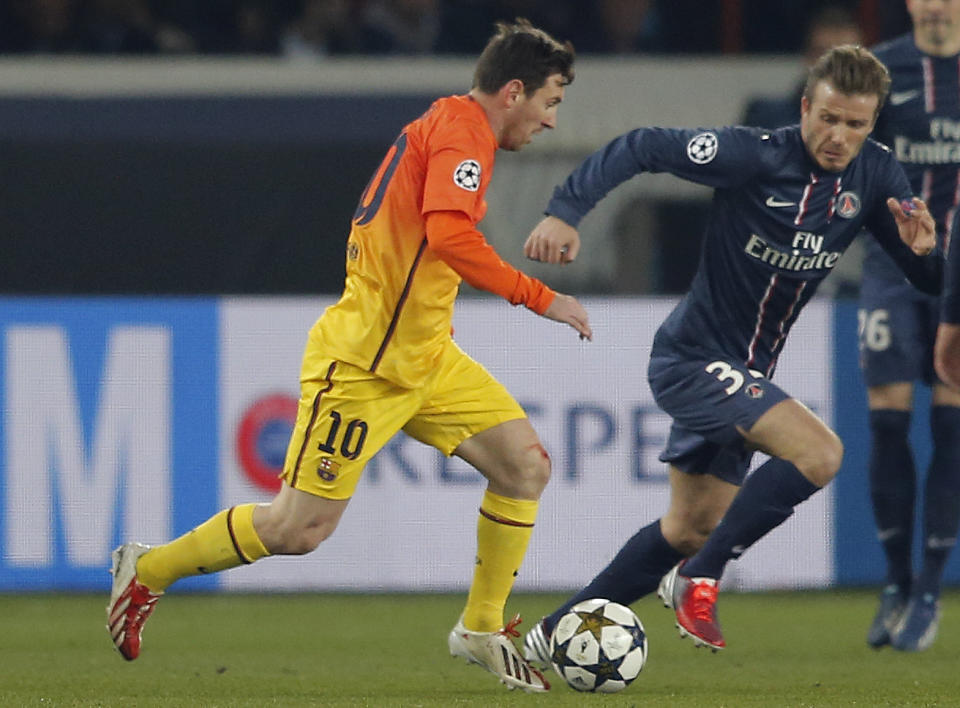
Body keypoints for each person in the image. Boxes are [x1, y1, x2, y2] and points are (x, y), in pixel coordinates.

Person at [106, 19, 589, 694]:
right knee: (295, 529)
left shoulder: (451, 128)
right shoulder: (462, 133)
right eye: (551, 102)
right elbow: (450, 234)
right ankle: (148, 568)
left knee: (524, 467)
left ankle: (481, 628)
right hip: (365, 365)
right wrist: (542, 298)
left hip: (426, 356)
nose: (550, 121)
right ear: (514, 91)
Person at [518, 44, 939, 660]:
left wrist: (925, 256)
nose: (837, 135)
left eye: (854, 124)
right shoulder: (755, 154)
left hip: (744, 372)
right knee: (821, 454)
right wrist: (564, 213)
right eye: (827, 118)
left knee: (689, 528)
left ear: (873, 125)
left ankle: (550, 634)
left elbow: (924, 280)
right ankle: (700, 579)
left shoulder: (876, 175)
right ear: (805, 107)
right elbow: (640, 145)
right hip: (691, 358)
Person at [859, 0, 960, 653]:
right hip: (892, 269)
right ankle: (896, 582)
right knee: (888, 419)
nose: (934, 5)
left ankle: (929, 589)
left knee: (950, 422)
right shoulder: (883, 71)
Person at [741, 6, 863, 130]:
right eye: (823, 54)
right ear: (807, 57)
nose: (835, 66)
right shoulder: (766, 117)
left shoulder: (877, 127)